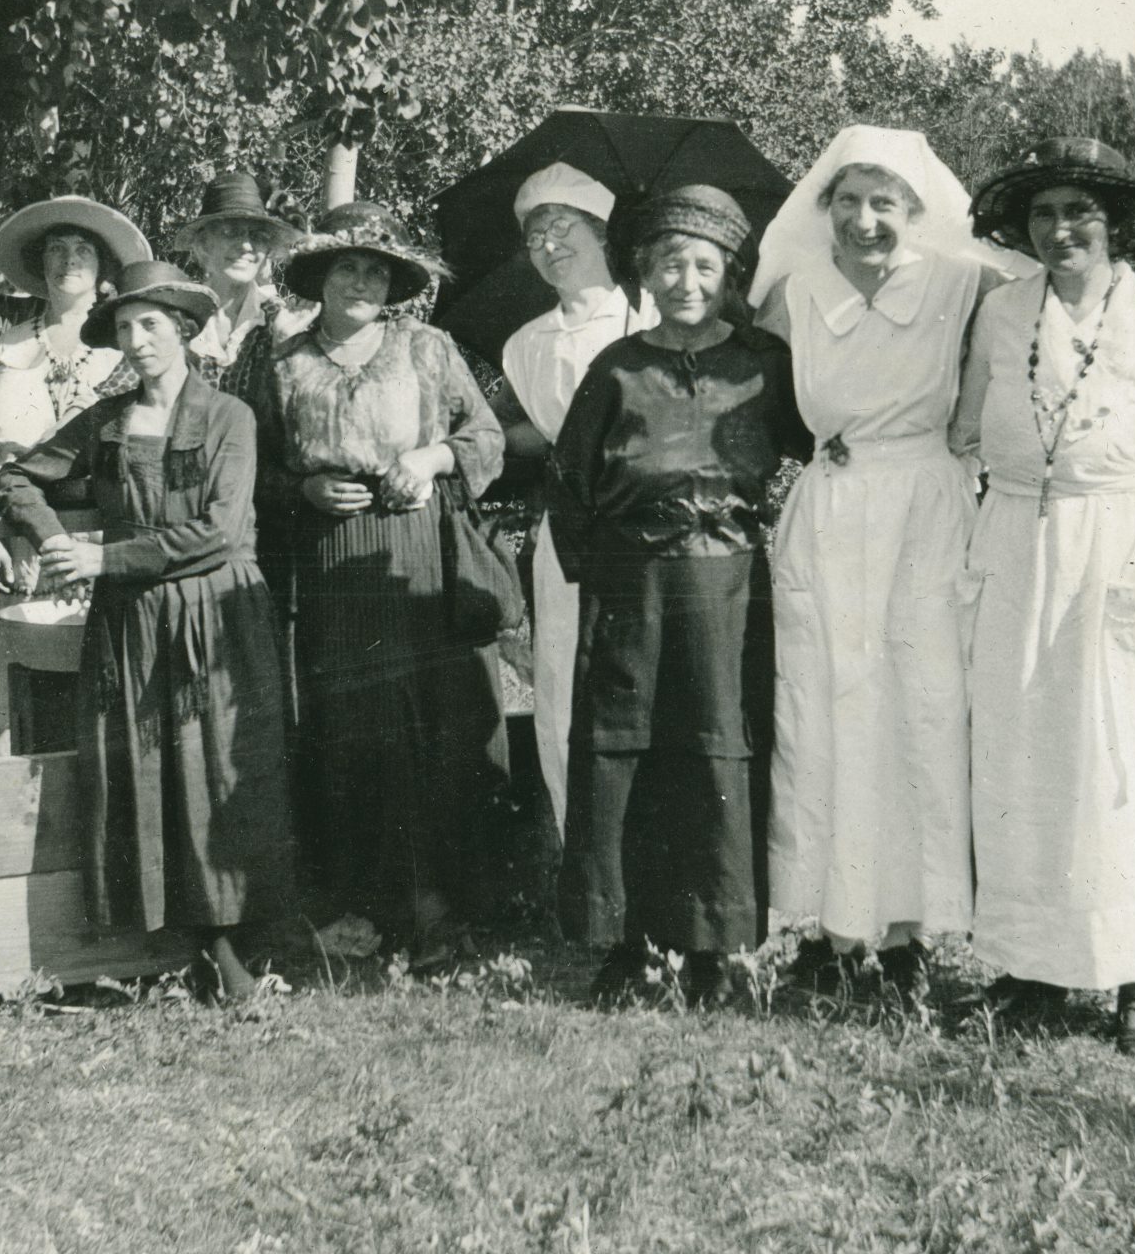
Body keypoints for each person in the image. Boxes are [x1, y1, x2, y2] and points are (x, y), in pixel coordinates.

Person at [749, 126, 1135, 999]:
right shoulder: (791, 293)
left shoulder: (966, 283)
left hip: (928, 513)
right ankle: (833, 930)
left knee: (925, 716)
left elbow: (1068, 293)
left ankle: (915, 930)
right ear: (823, 209)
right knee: (830, 714)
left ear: (917, 212)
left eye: (886, 204)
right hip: (833, 513)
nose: (866, 221)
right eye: (849, 202)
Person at [952, 136, 1135, 1046]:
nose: (1060, 229)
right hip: (1015, 549)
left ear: (1112, 221)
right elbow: (964, 427)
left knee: (1125, 769)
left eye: (1079, 212)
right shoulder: (1002, 312)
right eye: (1043, 214)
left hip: (1124, 551)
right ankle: (1038, 969)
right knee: (1025, 765)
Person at [0, 260, 299, 997]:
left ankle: (232, 945)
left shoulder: (230, 417)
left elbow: (220, 532)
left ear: (185, 331)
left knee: (217, 771)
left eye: (151, 324)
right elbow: (18, 477)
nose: (136, 341)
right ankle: (174, 944)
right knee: (149, 770)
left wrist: (102, 554)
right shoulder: (106, 420)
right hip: (132, 622)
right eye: (126, 327)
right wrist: (42, 535)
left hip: (214, 616)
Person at [546, 184, 811, 1005]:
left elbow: (825, 444)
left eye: (703, 264)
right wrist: (611, 574)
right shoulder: (616, 369)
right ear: (644, 274)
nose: (685, 280)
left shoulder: (766, 363)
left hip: (729, 585)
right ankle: (625, 941)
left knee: (717, 749)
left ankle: (712, 947)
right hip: (631, 586)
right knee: (622, 751)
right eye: (668, 263)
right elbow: (567, 485)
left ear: (728, 271)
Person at [244, 201, 509, 969]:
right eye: (346, 266)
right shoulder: (282, 359)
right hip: (327, 565)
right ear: (319, 276)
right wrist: (303, 492)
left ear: (392, 284)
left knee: (425, 731)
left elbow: (484, 435)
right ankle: (362, 907)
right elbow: (249, 464)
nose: (360, 280)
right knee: (346, 732)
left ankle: (438, 916)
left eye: (375, 269)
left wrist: (431, 461)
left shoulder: (427, 349)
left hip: (413, 557)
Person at [492, 162, 658, 838]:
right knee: (564, 680)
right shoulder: (522, 345)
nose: (549, 245)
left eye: (564, 228)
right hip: (567, 534)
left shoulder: (648, 319)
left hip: (647, 529)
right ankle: (580, 854)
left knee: (642, 683)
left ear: (600, 234)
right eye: (535, 236)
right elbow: (526, 433)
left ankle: (652, 850)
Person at [0, 194, 152, 451]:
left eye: (83, 249)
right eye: (56, 248)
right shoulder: (12, 343)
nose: (69, 260)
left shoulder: (123, 337)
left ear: (101, 264)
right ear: (41, 261)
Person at [167, 168, 311, 401]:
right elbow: (122, 389)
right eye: (230, 232)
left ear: (268, 251)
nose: (246, 246)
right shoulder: (176, 314)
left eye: (257, 236)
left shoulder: (278, 320)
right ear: (204, 243)